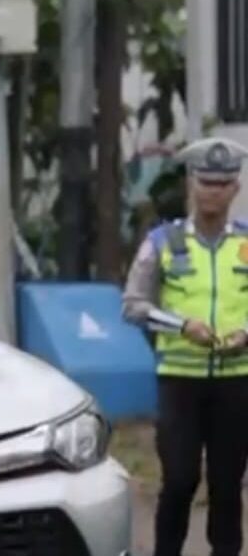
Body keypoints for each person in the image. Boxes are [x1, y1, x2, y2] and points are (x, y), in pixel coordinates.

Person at [122, 136, 248, 556]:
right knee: (178, 479)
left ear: (236, 188)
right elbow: (133, 305)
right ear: (191, 183)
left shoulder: (246, 244)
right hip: (180, 381)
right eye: (205, 181)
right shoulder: (162, 242)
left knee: (228, 484)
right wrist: (181, 326)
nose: (213, 191)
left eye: (222, 183)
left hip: (237, 380)